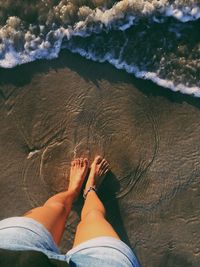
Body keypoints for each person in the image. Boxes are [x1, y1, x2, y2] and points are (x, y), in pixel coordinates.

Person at [0, 156, 140, 267]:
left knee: (56, 208)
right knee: (93, 217)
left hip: (11, 252)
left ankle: (72, 192)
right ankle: (90, 190)